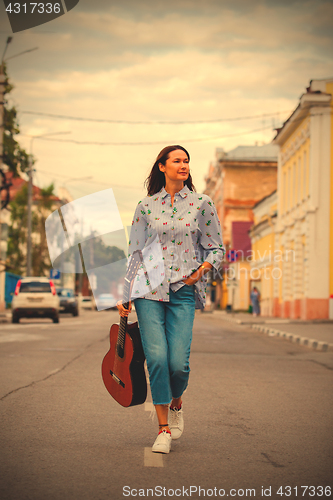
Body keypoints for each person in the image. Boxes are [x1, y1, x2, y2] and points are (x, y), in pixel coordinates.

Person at [117, 145, 225, 454]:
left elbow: (216, 247)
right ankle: (163, 428)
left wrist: (202, 269)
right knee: (157, 358)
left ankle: (176, 402)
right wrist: (124, 293)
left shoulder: (202, 204)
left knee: (179, 363)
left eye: (187, 160)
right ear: (162, 167)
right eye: (177, 161)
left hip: (183, 291)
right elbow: (134, 254)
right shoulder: (146, 207)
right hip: (148, 291)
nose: (184, 165)